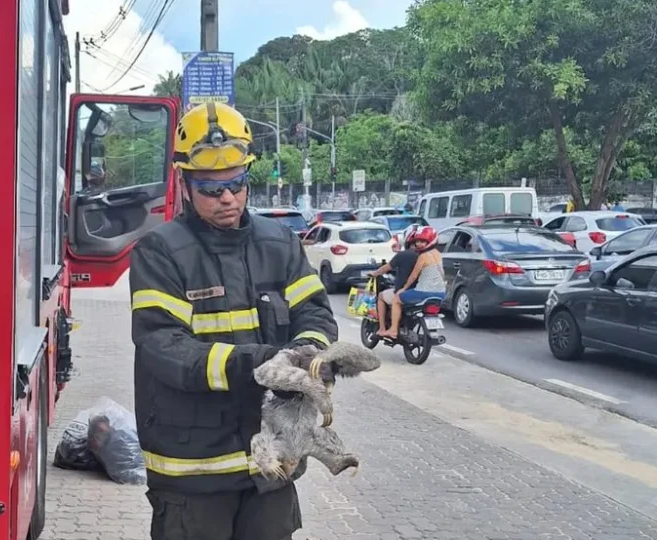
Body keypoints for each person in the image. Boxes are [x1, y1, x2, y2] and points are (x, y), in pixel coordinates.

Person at [129, 102, 340, 540]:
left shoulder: (279, 243)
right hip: (193, 470)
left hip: (271, 466)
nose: (227, 197)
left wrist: (306, 356)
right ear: (184, 184)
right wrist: (264, 364)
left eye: (237, 183)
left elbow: (315, 312)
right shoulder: (159, 252)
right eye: (210, 188)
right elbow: (164, 346)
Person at [385, 226, 447, 339]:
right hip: (441, 293)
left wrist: (403, 289)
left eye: (423, 241)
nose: (419, 244)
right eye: (417, 241)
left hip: (424, 292)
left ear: (431, 241)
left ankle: (393, 330)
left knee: (396, 299)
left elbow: (413, 276)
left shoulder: (423, 256)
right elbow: (441, 272)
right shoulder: (437, 253)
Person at [367, 224, 420, 336]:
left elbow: (386, 268)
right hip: (421, 294)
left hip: (405, 293)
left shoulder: (403, 255)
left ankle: (382, 329)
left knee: (381, 296)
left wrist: (375, 273)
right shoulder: (426, 256)